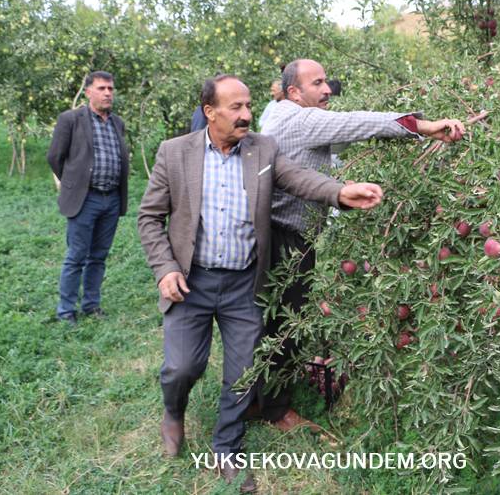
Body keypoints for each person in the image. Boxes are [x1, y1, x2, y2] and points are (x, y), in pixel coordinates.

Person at [137, 74, 383, 492]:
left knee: (245, 371)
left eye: (249, 106)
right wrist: (165, 268)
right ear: (210, 112)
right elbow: (148, 218)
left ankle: (227, 447)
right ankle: (173, 411)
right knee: (182, 366)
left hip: (243, 283)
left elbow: (298, 178)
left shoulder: (262, 149)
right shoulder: (175, 153)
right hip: (191, 281)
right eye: (236, 108)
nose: (247, 115)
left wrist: (341, 192)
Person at [258, 58, 465, 431]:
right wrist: (422, 126)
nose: (327, 90)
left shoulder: (276, 115)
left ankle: (255, 396)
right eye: (317, 83)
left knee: (267, 319)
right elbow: (357, 122)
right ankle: (276, 409)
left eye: (326, 82)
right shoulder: (299, 119)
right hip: (285, 238)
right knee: (283, 322)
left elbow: (335, 143)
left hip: (274, 233)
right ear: (293, 92)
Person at [47, 71, 129, 325]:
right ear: (88, 92)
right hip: (85, 199)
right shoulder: (71, 119)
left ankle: (91, 305)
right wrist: (73, 183)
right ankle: (66, 310)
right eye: (102, 88)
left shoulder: (117, 123)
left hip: (111, 199)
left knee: (99, 256)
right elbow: (55, 157)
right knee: (76, 256)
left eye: (111, 88)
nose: (107, 93)